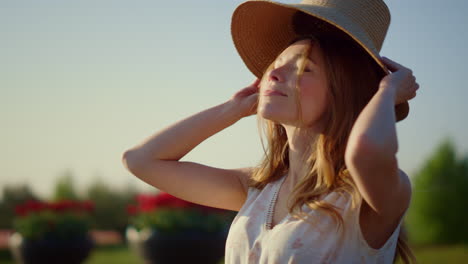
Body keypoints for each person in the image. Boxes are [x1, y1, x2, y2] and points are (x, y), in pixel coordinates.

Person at [122, 0, 419, 263]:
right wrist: (232, 108)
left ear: (343, 92)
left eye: (303, 69)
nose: (273, 74)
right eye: (276, 66)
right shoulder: (258, 187)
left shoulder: (366, 196)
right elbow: (140, 160)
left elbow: (364, 149)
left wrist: (388, 90)